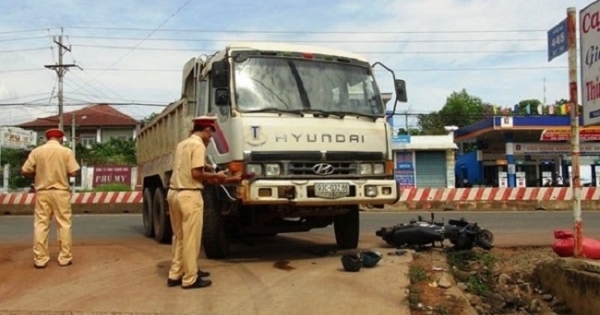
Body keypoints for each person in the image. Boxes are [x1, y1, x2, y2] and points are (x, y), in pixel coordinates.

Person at [166, 116, 241, 289]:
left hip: (174, 193)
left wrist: (210, 172)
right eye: (211, 133)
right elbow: (196, 174)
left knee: (179, 237)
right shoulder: (198, 145)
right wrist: (217, 176)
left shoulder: (182, 144)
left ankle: (175, 273)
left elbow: (189, 168)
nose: (211, 137)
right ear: (207, 130)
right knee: (192, 239)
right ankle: (190, 278)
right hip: (189, 195)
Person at [21, 128, 80, 269]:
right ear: (60, 139)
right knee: (64, 225)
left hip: (42, 192)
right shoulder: (66, 152)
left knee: (41, 225)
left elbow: (25, 170)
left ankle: (40, 259)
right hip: (61, 192)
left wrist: (38, 171)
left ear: (47, 138)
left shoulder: (37, 151)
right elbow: (73, 171)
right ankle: (65, 258)